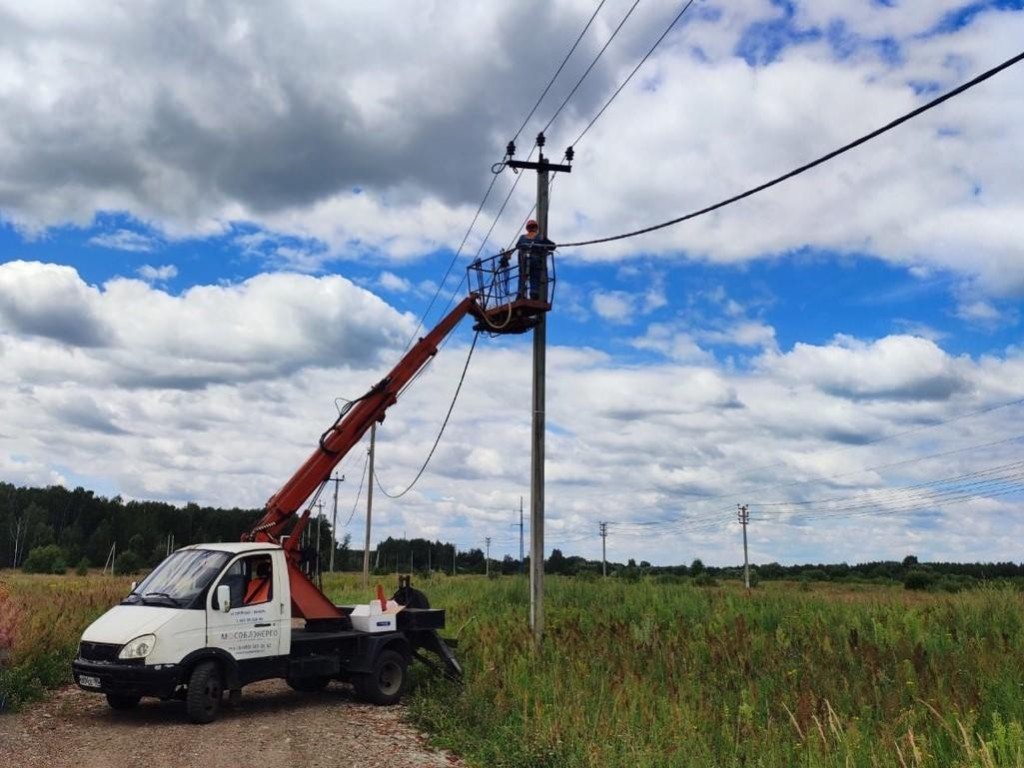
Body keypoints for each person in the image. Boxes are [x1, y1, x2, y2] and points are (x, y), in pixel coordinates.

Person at [516, 220, 553, 300]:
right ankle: (534, 293)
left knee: (522, 276)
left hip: (524, 259)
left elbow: (517, 246)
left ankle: (520, 293)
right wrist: (544, 246)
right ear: (536, 228)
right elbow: (553, 246)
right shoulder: (540, 237)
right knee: (534, 276)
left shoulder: (522, 237)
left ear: (527, 229)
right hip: (535, 259)